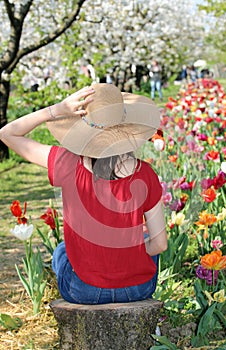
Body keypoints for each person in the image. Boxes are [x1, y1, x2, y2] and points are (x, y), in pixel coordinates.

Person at [0, 83, 168, 305]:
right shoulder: (145, 173)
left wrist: (56, 110)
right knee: (145, 238)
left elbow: (7, 133)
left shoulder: (66, 163)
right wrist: (130, 255)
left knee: (61, 251)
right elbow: (160, 244)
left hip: (84, 290)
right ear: (127, 127)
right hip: (138, 289)